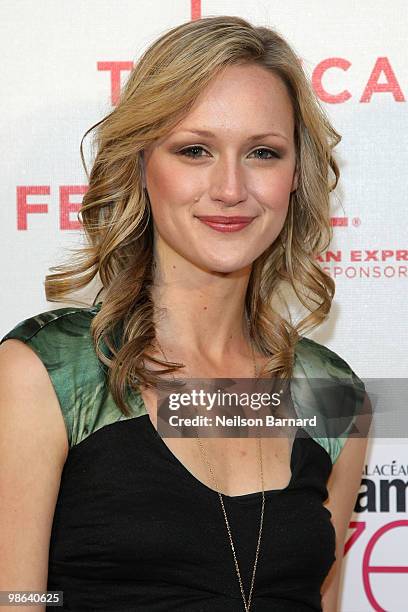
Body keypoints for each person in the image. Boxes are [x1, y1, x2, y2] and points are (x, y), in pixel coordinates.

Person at [0, 15, 370, 612]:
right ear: (142, 166)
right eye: (194, 150)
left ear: (295, 176)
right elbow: (14, 597)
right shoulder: (50, 373)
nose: (230, 188)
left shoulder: (330, 393)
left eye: (263, 153)